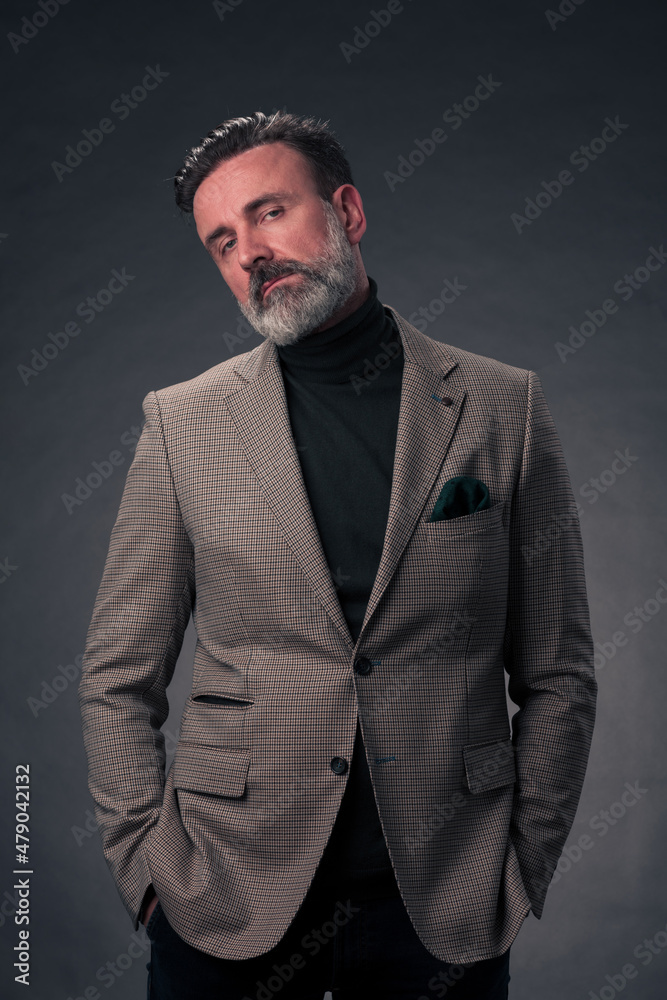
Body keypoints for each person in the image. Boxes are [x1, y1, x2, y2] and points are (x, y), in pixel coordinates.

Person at [78, 110, 597, 999]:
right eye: (221, 240)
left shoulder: (502, 409)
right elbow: (116, 675)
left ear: (347, 212)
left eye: (270, 213)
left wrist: (520, 869)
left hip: (442, 901)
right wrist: (145, 869)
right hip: (225, 901)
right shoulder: (182, 423)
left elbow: (559, 673)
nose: (249, 252)